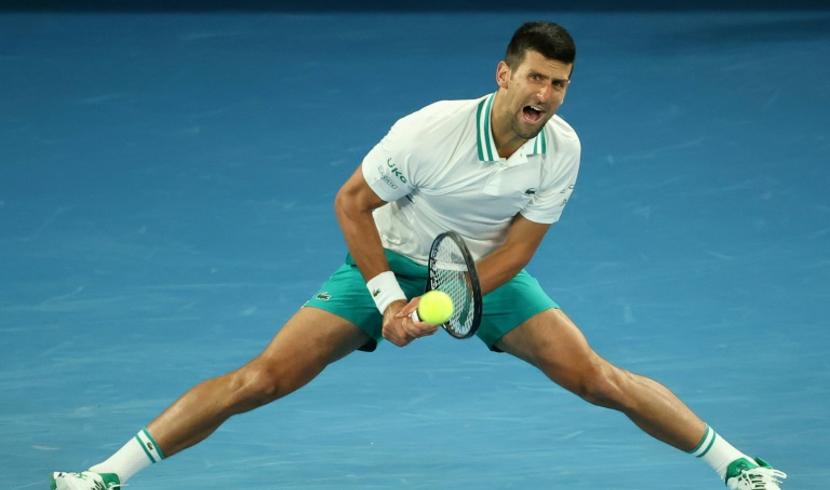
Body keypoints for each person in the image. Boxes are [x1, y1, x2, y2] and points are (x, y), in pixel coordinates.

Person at [51, 21, 787, 490]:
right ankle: (102, 477)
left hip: (487, 273)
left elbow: (522, 247)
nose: (546, 94)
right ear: (504, 75)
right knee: (261, 379)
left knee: (596, 377)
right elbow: (350, 204)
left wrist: (441, 305)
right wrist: (387, 301)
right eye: (535, 77)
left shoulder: (562, 148)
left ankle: (740, 468)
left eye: (559, 83)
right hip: (391, 258)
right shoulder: (428, 132)